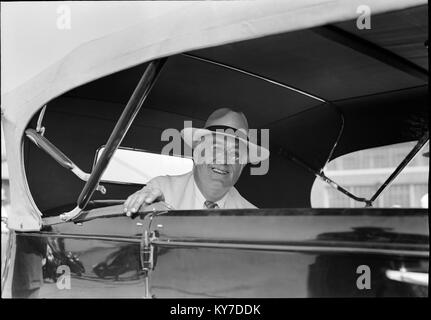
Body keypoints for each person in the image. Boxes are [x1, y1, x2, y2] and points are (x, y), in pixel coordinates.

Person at [123, 108, 269, 214]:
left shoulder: (253, 217)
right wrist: (150, 208)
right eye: (216, 148)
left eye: (235, 154)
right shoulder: (162, 189)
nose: (223, 160)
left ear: (242, 165)